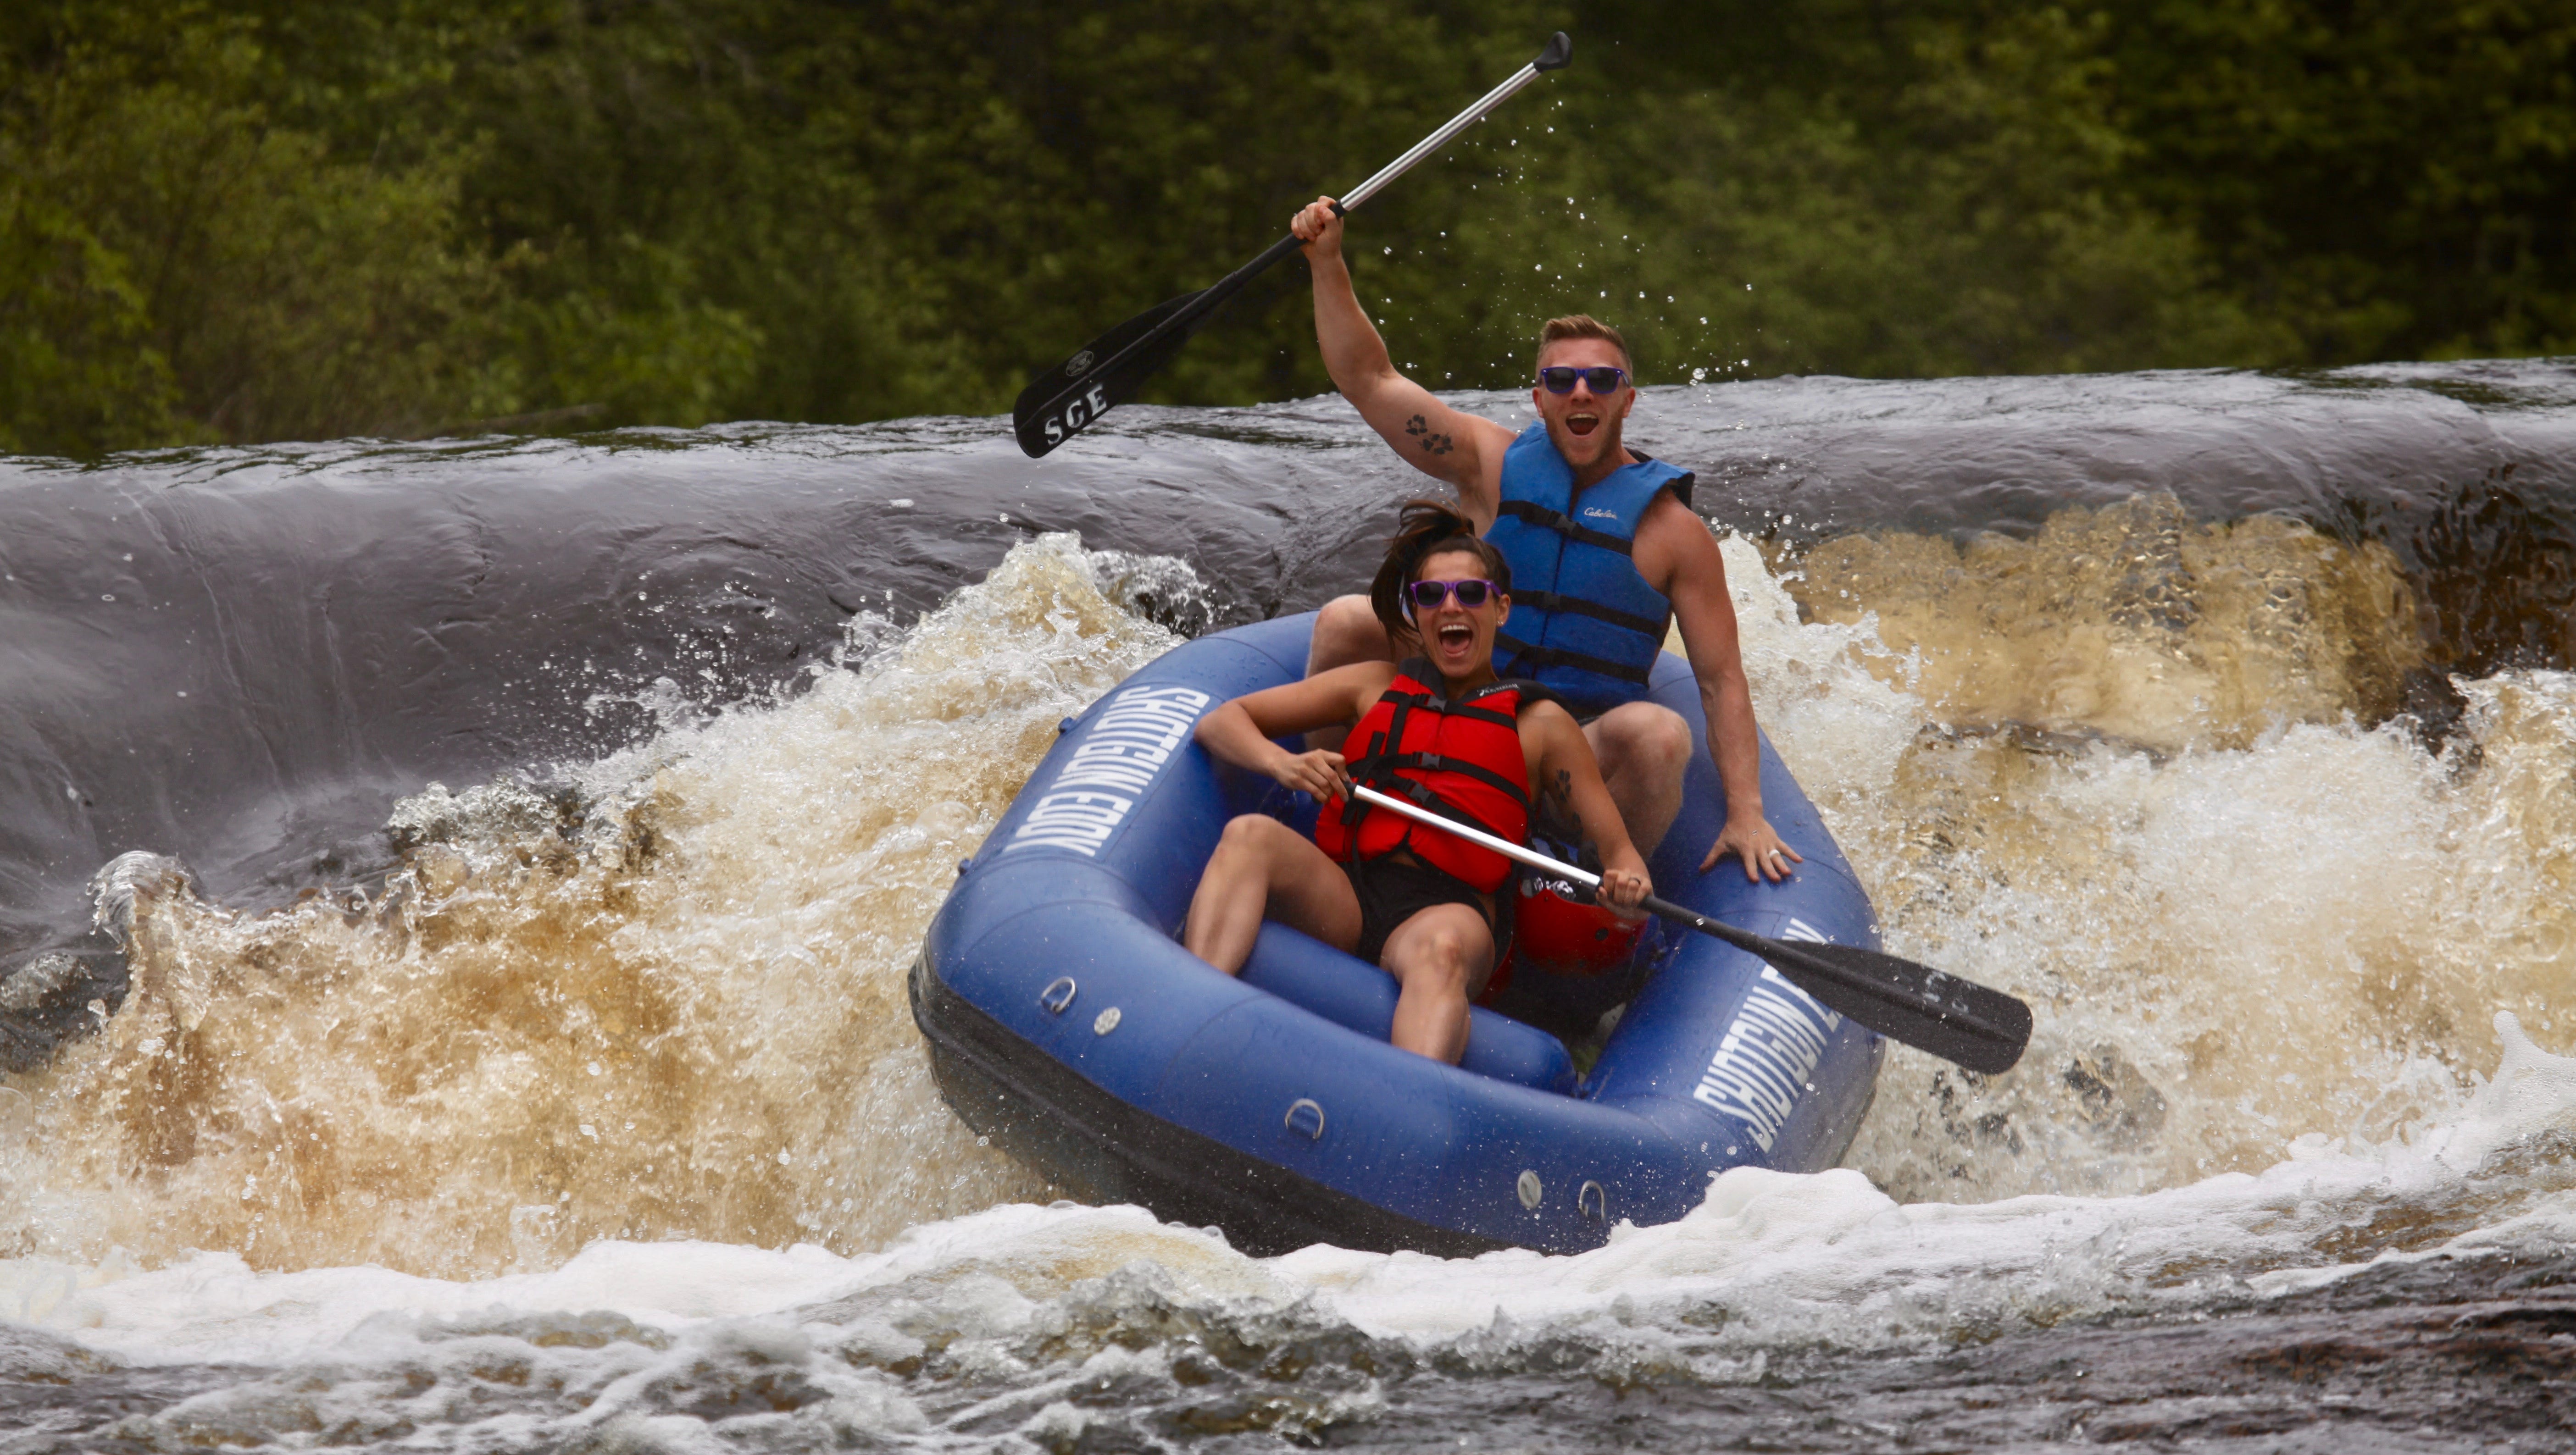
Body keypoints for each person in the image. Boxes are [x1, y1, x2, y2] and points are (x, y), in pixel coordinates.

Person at [1287, 196, 1803, 885]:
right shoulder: (1488, 463)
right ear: (1539, 398)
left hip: (1563, 751)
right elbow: (1371, 379)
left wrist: (1746, 811)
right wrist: (1328, 264)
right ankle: (1325, 820)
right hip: (1454, 705)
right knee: (1347, 619)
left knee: (1659, 735)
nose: (1580, 392)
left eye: (1601, 379)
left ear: (1627, 398)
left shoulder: (1676, 533)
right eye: (1561, 379)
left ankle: (1587, 912)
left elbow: (1720, 680)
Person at [1183, 503, 1650, 1065]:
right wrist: (1277, 763)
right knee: (1250, 834)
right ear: (1418, 613)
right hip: (1350, 891)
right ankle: (1189, 1019)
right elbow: (1222, 721)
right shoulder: (1374, 685)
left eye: (1470, 594)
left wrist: (1626, 885)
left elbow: (1620, 851)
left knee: (1441, 949)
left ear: (1500, 609)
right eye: (1432, 596)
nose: (1451, 606)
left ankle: (1402, 1110)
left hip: (1451, 910)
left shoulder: (1541, 724)